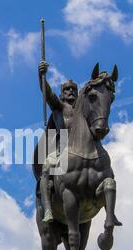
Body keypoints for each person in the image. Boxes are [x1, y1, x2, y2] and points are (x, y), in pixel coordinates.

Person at [38, 61, 78, 223]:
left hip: (83, 147)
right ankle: (48, 209)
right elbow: (47, 93)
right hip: (62, 149)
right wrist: (41, 76)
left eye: (73, 89)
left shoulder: (82, 109)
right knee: (46, 169)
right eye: (67, 89)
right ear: (62, 94)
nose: (70, 91)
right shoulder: (58, 106)